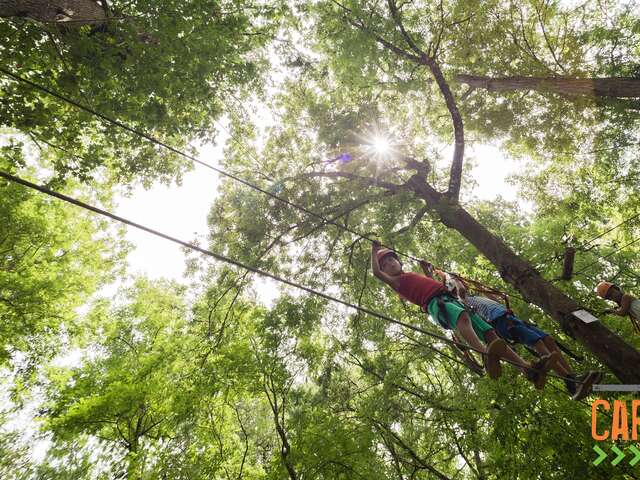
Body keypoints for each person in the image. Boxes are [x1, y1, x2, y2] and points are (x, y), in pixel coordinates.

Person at [371, 241, 557, 389]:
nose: (390, 264)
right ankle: (484, 354)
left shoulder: (411, 274)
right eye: (385, 264)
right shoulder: (396, 282)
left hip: (449, 299)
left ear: (399, 261)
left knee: (491, 334)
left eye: (391, 260)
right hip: (438, 305)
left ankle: (528, 369)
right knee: (463, 319)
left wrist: (428, 273)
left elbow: (432, 285)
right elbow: (376, 273)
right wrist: (375, 251)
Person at [441, 273, 600, 401]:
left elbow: (496, 300)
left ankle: (573, 377)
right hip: (501, 323)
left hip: (510, 317)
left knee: (548, 340)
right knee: (537, 343)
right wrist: (453, 278)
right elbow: (461, 290)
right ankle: (570, 382)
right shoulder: (463, 299)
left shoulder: (475, 296)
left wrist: (480, 287)